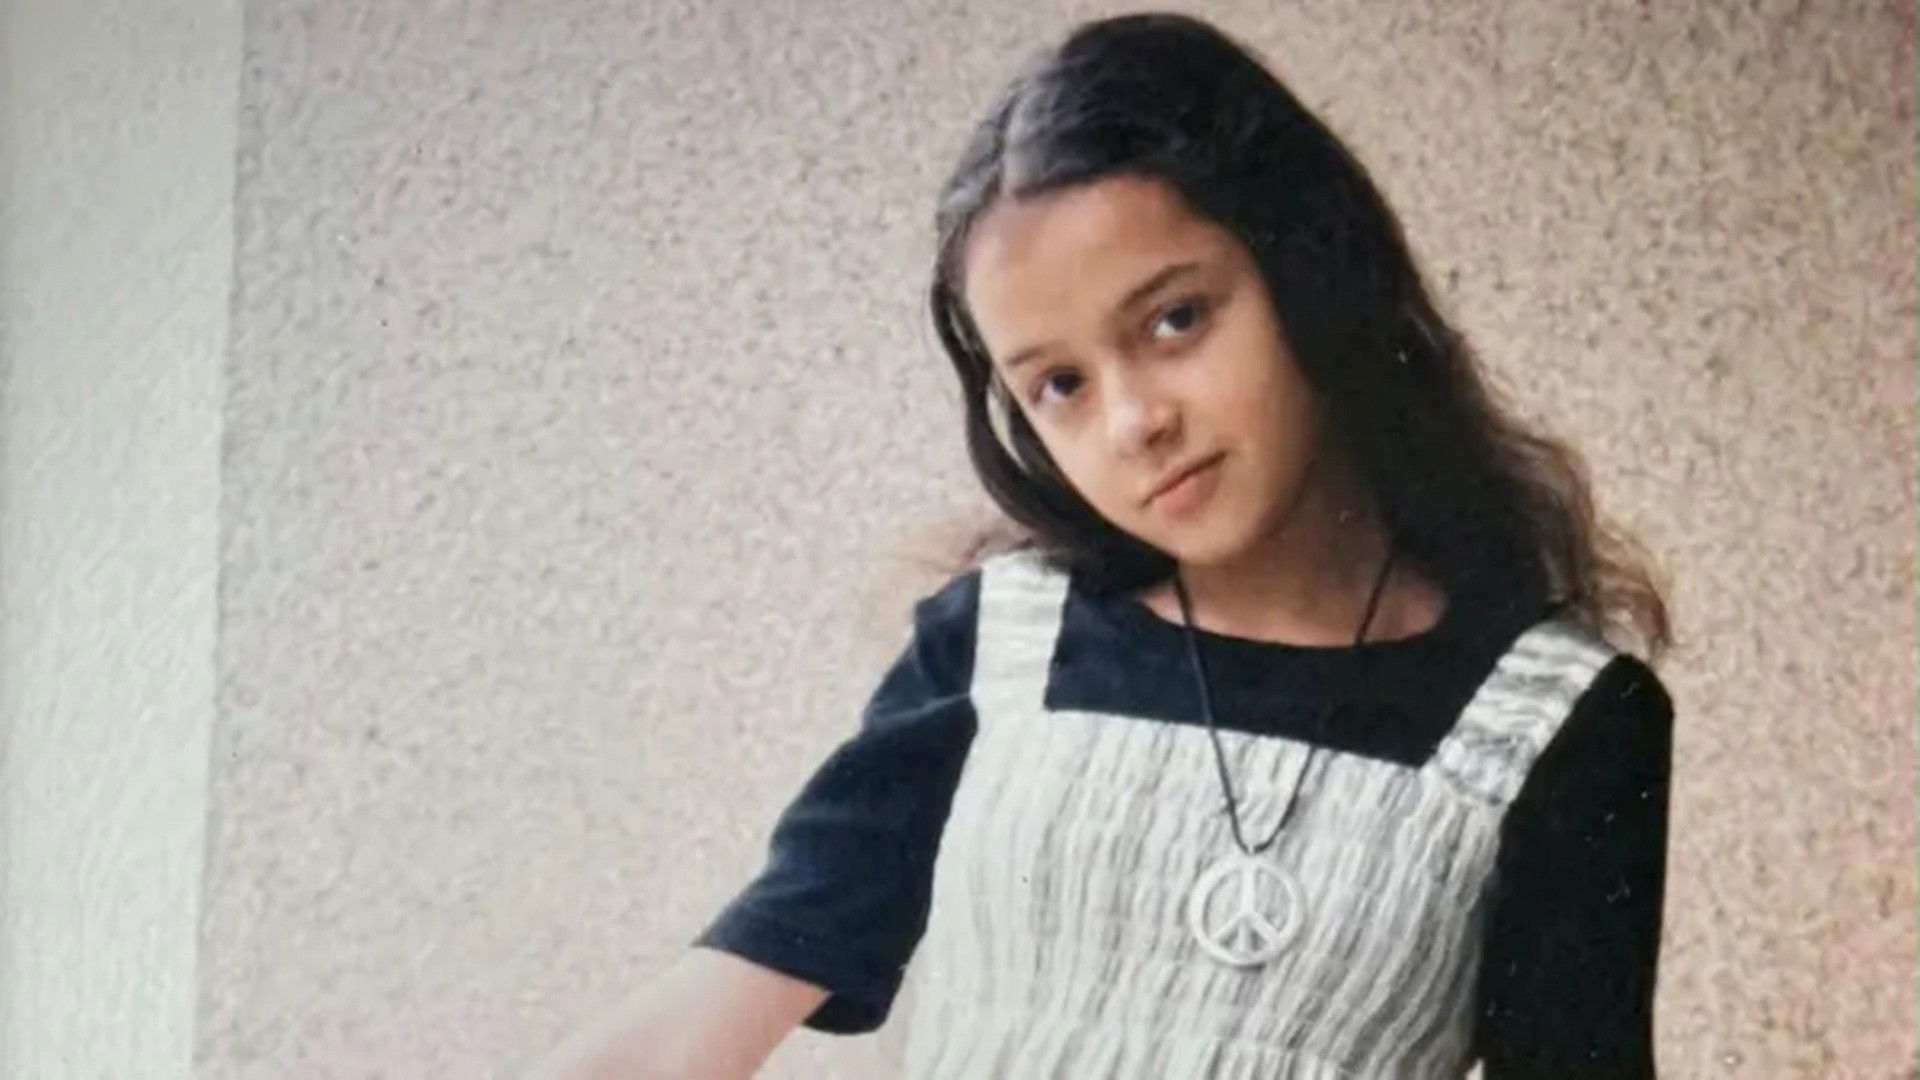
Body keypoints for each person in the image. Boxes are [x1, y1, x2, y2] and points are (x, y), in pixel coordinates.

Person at [524, 11, 1675, 1079]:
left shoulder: (1557, 724)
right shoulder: (998, 652)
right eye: (1061, 384)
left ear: (1311, 269)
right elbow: (704, 1015)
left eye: (1176, 319)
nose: (1134, 422)